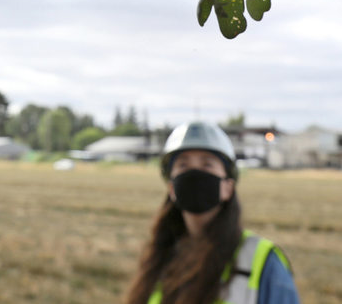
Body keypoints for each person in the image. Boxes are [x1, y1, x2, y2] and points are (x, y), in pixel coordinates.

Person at [125, 121, 299, 304]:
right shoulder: (158, 258)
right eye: (183, 166)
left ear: (228, 188)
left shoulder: (263, 263)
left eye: (207, 165)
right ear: (172, 189)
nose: (194, 174)